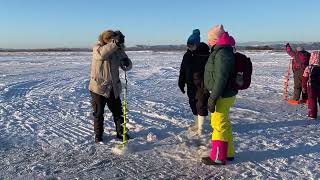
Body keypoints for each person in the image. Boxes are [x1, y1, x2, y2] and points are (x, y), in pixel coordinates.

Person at [201, 25, 238, 165]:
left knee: (218, 124)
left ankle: (217, 157)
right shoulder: (222, 51)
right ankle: (228, 153)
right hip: (224, 93)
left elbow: (221, 78)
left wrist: (213, 97)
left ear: (216, 39)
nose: (208, 42)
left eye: (210, 39)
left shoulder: (222, 53)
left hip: (222, 94)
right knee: (225, 124)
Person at [89, 30, 132, 143]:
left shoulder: (117, 49)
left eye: (113, 39)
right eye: (110, 39)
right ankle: (98, 136)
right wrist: (114, 44)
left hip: (113, 88)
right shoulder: (97, 48)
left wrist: (126, 62)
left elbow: (126, 66)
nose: (111, 41)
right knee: (98, 113)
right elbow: (101, 54)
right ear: (104, 39)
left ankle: (121, 133)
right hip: (98, 88)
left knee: (118, 113)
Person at [178, 29, 210, 135]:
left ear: (197, 44)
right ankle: (196, 124)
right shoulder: (186, 55)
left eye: (191, 44)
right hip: (190, 85)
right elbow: (182, 70)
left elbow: (210, 70)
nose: (189, 47)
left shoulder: (205, 55)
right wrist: (181, 82)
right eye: (188, 45)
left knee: (201, 105)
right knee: (192, 104)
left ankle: (201, 128)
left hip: (202, 85)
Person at [302, 51, 320, 119]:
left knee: (312, 100)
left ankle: (312, 114)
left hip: (311, 86)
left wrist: (304, 87)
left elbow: (305, 77)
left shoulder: (308, 67)